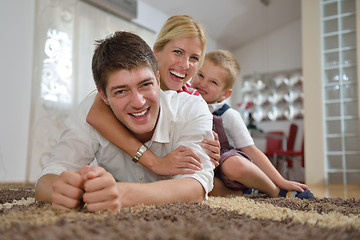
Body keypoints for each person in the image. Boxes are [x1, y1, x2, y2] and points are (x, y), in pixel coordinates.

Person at [35, 31, 215, 212]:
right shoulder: (88, 111)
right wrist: (64, 191)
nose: (138, 102)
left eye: (146, 84)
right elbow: (48, 178)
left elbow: (195, 187)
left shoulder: (191, 108)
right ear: (103, 96)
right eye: (121, 91)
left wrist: (123, 194)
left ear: (158, 80)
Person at [86, 15, 221, 178]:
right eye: (178, 52)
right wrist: (155, 162)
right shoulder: (133, 78)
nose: (185, 65)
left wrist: (203, 149)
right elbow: (96, 113)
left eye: (194, 58)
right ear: (156, 53)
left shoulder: (191, 99)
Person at [190, 50, 313, 199]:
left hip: (229, 168)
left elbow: (251, 150)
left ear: (224, 94)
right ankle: (247, 193)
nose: (202, 83)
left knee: (233, 165)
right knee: (196, 182)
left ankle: (275, 191)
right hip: (208, 169)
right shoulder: (185, 103)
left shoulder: (228, 115)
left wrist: (281, 181)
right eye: (201, 75)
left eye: (213, 82)